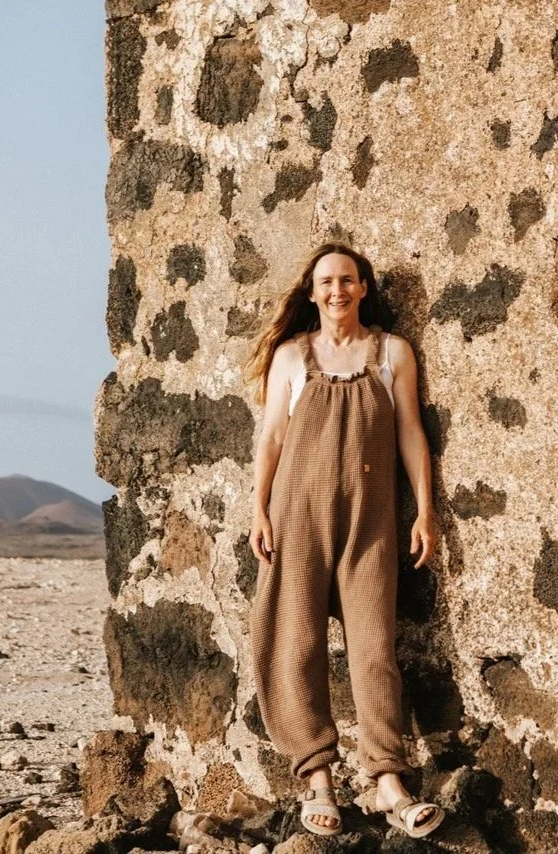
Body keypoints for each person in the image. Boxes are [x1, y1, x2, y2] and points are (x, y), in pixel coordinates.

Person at [244, 241, 445, 839]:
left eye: (349, 281)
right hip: (296, 515)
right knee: (295, 643)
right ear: (312, 293)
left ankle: (388, 782)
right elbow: (272, 438)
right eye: (327, 281)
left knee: (374, 650)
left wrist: (425, 510)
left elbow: (411, 432)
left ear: (364, 289)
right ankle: (319, 780)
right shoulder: (290, 357)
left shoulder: (392, 353)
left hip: (371, 519)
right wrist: (258, 508)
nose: (338, 291)